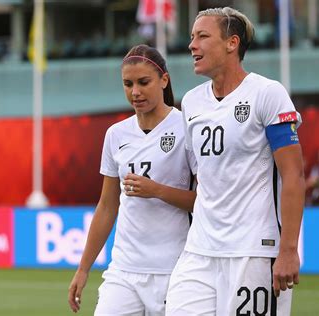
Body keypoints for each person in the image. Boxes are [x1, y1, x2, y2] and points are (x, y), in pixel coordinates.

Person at [165, 7, 306, 315]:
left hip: (254, 250)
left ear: (232, 43)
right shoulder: (191, 102)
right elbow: (203, 177)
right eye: (191, 37)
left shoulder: (268, 93)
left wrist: (289, 250)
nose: (192, 45)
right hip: (199, 250)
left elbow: (293, 176)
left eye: (202, 36)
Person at [68, 44, 197, 315]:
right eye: (128, 84)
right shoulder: (116, 134)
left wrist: (157, 190)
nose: (135, 92)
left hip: (174, 270)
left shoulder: (188, 128)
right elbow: (106, 206)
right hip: (124, 271)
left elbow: (204, 202)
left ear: (164, 80)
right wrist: (83, 269)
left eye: (143, 82)